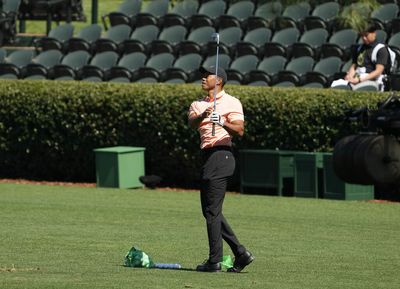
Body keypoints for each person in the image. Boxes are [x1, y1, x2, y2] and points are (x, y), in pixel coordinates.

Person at [187, 65, 254, 273]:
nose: (203, 78)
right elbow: (191, 123)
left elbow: (240, 130)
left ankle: (214, 261)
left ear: (220, 80)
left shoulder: (232, 102)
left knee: (212, 211)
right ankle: (240, 253)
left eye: (207, 75)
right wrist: (205, 114)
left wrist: (222, 121)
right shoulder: (197, 104)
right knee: (210, 211)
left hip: (222, 155)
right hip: (207, 156)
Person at [331, 22, 389, 91]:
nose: (364, 38)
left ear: (374, 34)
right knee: (336, 85)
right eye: (362, 36)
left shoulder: (381, 49)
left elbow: (378, 71)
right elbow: (354, 65)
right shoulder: (359, 48)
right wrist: (350, 75)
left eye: (366, 35)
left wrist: (360, 80)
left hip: (371, 80)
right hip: (358, 76)